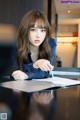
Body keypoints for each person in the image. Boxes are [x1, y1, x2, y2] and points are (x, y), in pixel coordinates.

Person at [12, 10, 56, 80]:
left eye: (42, 30)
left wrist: (27, 75)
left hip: (40, 88)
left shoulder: (51, 43)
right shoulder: (15, 44)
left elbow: (45, 72)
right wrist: (35, 65)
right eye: (33, 30)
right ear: (25, 30)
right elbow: (15, 72)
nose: (38, 35)